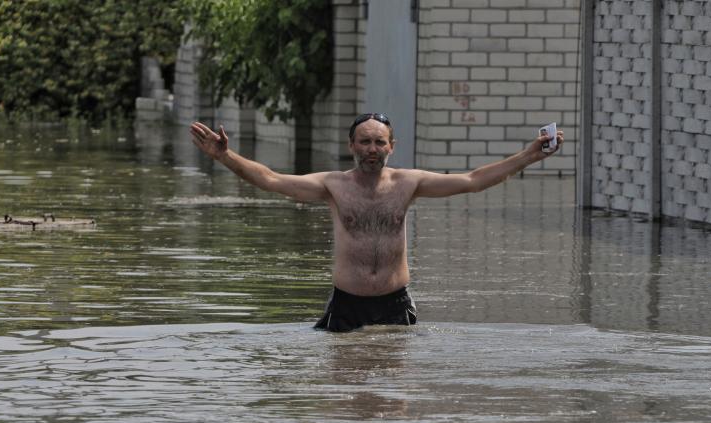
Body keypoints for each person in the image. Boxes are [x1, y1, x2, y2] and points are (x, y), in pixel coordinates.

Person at [189, 113, 564, 332]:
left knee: (393, 392)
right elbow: (270, 180)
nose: (372, 149)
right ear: (352, 146)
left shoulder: (408, 183)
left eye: (379, 143)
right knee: (343, 388)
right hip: (346, 305)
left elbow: (472, 181)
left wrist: (529, 155)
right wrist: (225, 157)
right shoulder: (331, 186)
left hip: (395, 305)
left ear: (391, 147)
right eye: (364, 142)